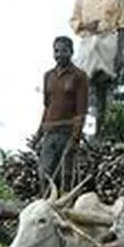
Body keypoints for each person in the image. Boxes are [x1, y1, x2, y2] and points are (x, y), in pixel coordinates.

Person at [69, 0, 124, 139]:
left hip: (107, 44)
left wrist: (120, 55)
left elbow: (121, 27)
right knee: (86, 88)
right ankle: (85, 132)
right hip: (88, 44)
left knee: (103, 89)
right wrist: (87, 25)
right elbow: (73, 21)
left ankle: (99, 133)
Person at [35, 36, 90, 191]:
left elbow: (81, 111)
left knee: (65, 175)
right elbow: (47, 106)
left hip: (67, 132)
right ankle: (45, 205)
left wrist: (76, 137)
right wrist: (38, 133)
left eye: (64, 51)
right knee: (44, 172)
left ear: (71, 52)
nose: (59, 54)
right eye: (56, 51)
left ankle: (65, 208)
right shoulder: (48, 76)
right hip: (49, 132)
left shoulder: (79, 76)